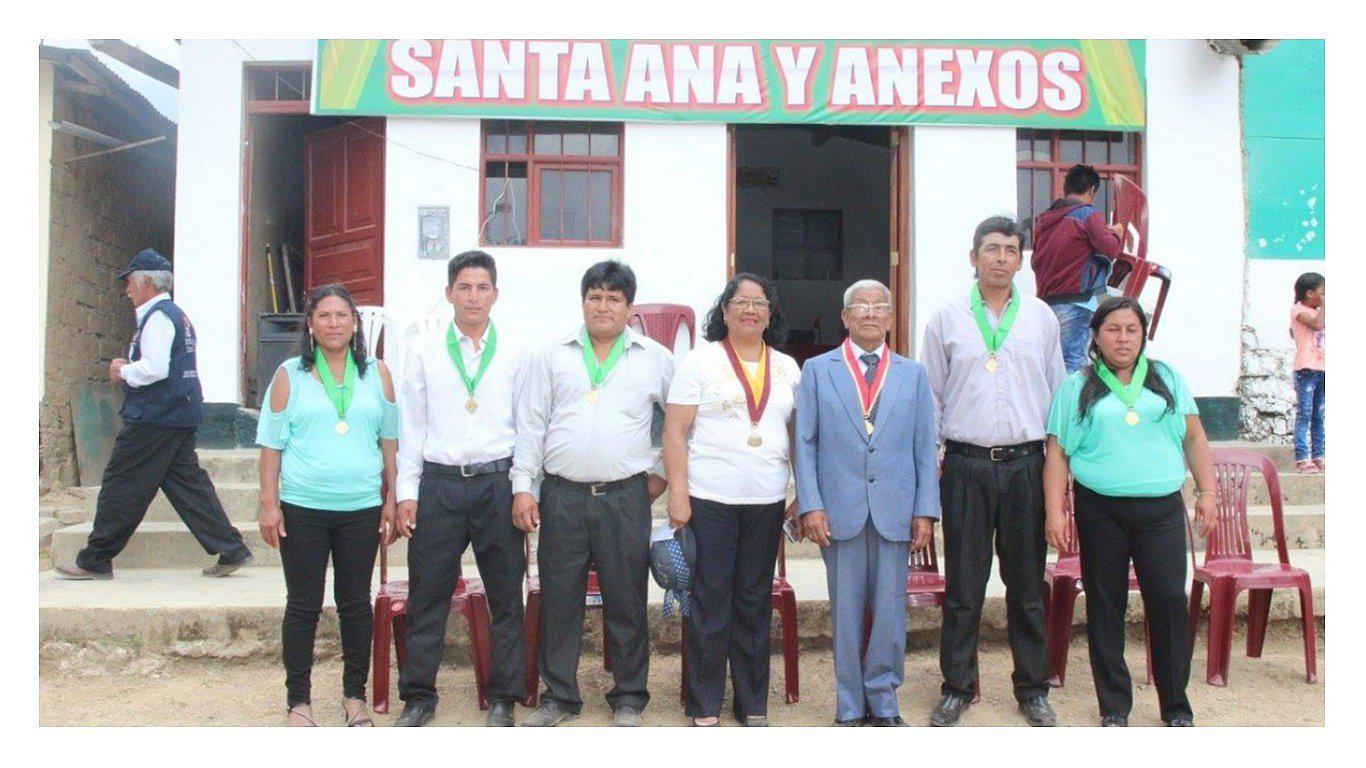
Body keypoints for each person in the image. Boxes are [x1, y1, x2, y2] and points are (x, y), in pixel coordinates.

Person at [511, 260, 673, 727]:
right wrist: (524, 487)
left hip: (626, 497)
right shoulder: (553, 355)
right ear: (583, 302)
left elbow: (684, 421)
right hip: (561, 496)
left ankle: (628, 695)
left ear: (629, 307)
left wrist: (661, 472)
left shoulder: (654, 357)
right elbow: (531, 424)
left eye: (614, 299)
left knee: (626, 598)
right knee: (560, 598)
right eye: (595, 297)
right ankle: (559, 696)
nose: (603, 306)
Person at [1043, 296, 1218, 727]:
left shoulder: (1167, 379)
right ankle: (1114, 706)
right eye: (1113, 330)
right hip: (1099, 509)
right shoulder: (1076, 387)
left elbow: (1194, 439)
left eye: (1132, 330)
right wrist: (1055, 510)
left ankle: (1175, 705)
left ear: (1143, 335)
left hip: (1159, 510)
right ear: (1096, 336)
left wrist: (1208, 491)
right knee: (1106, 605)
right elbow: (1057, 453)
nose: (1123, 338)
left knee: (1169, 602)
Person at [921, 216, 1066, 727]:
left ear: (1021, 260)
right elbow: (932, 401)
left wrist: (1056, 481)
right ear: (973, 256)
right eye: (991, 248)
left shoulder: (1043, 318)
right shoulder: (946, 318)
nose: (1001, 257)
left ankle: (1032, 688)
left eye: (1010, 249)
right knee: (964, 585)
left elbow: (1056, 401)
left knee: (1027, 586)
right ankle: (957, 687)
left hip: (1027, 465)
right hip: (965, 467)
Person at [392, 251, 530, 727]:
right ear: (449, 293)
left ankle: (503, 696)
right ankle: (418, 695)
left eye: (483, 287)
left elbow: (528, 426)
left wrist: (523, 487)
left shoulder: (516, 350)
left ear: (496, 294)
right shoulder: (424, 349)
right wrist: (407, 491)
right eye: (464, 288)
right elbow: (410, 425)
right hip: (440, 485)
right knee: (427, 594)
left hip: (497, 483)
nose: (473, 297)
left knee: (505, 596)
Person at [57, 248, 254, 580]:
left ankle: (95, 559)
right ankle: (231, 548)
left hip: (155, 416)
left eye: (131, 283)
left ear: (146, 282)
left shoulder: (158, 317)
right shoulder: (176, 314)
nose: (127, 290)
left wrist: (123, 370)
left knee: (120, 484)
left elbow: (156, 368)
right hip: (177, 412)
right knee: (186, 485)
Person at [794, 279, 939, 726]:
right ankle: (850, 703)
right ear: (845, 317)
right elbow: (805, 442)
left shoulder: (913, 375)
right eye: (861, 306)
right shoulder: (818, 371)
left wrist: (925, 511)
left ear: (891, 317)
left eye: (880, 306)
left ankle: (883, 697)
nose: (871, 313)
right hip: (838, 511)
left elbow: (924, 448)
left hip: (895, 507)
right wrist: (810, 505)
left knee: (891, 610)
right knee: (846, 610)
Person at [255, 284, 398, 727]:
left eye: (342, 315)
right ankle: (299, 700)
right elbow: (271, 446)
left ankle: (354, 696)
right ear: (311, 326)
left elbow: (389, 440)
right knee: (303, 603)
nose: (334, 323)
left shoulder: (378, 373)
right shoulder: (289, 375)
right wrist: (267, 504)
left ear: (355, 323)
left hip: (360, 508)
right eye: (324, 316)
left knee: (355, 602)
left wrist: (391, 496)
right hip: (302, 508)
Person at [661, 273, 800, 727]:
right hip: (710, 499)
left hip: (766, 502)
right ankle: (704, 704)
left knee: (753, 602)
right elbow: (675, 432)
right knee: (710, 601)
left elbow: (798, 436)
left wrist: (802, 493)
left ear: (769, 314)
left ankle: (752, 702)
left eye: (759, 303)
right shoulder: (700, 363)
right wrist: (677, 496)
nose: (750, 310)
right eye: (740, 302)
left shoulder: (787, 368)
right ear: (723, 312)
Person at [1031, 164, 1126, 373]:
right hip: (1078, 302)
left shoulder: (1045, 220)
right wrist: (1117, 233)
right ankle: (1073, 405)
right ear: (1092, 190)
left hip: (1048, 304)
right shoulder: (1087, 215)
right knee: (1073, 364)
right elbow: (1109, 249)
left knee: (1053, 365)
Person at [1290, 272, 1325, 473]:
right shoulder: (1298, 310)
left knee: (1318, 415)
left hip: (1322, 369)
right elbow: (1316, 325)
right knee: (1304, 414)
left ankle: (1318, 455)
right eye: (1322, 292)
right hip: (1306, 369)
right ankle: (1303, 458)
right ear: (1310, 293)